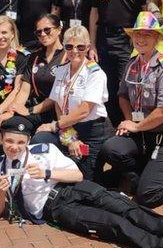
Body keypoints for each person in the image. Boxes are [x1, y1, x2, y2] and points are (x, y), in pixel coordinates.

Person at [0, 116, 163, 248]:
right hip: (56, 208)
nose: (14, 147)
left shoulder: (43, 150)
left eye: (20, 142)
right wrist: (2, 192)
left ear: (28, 141)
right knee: (113, 224)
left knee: (125, 206)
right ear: (1, 139)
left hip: (73, 188)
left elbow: (78, 175)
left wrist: (47, 173)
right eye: (9, 141)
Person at [97, 12, 163, 208]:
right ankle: (143, 178)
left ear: (157, 38)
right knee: (111, 148)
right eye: (137, 34)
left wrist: (136, 127)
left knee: (147, 197)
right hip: (144, 136)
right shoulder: (132, 64)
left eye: (147, 34)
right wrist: (131, 120)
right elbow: (122, 95)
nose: (141, 39)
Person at [31, 25, 109, 180]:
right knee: (39, 140)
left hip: (90, 132)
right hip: (67, 128)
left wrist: (55, 126)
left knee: (83, 181)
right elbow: (58, 104)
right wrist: (69, 136)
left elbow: (84, 110)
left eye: (80, 47)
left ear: (87, 47)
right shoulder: (61, 70)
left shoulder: (95, 73)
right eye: (69, 46)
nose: (75, 51)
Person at [89, 0, 148, 126]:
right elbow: (94, 11)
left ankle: (132, 127)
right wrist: (92, 44)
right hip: (104, 39)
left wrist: (139, 39)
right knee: (109, 87)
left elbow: (144, 7)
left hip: (127, 39)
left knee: (127, 87)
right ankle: (113, 130)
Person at [10, 14, 64, 130]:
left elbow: (56, 95)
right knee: (11, 124)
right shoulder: (34, 56)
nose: (43, 34)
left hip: (57, 111)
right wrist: (15, 109)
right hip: (35, 109)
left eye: (47, 30)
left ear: (59, 29)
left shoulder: (67, 56)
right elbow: (24, 91)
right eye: (39, 32)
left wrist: (30, 111)